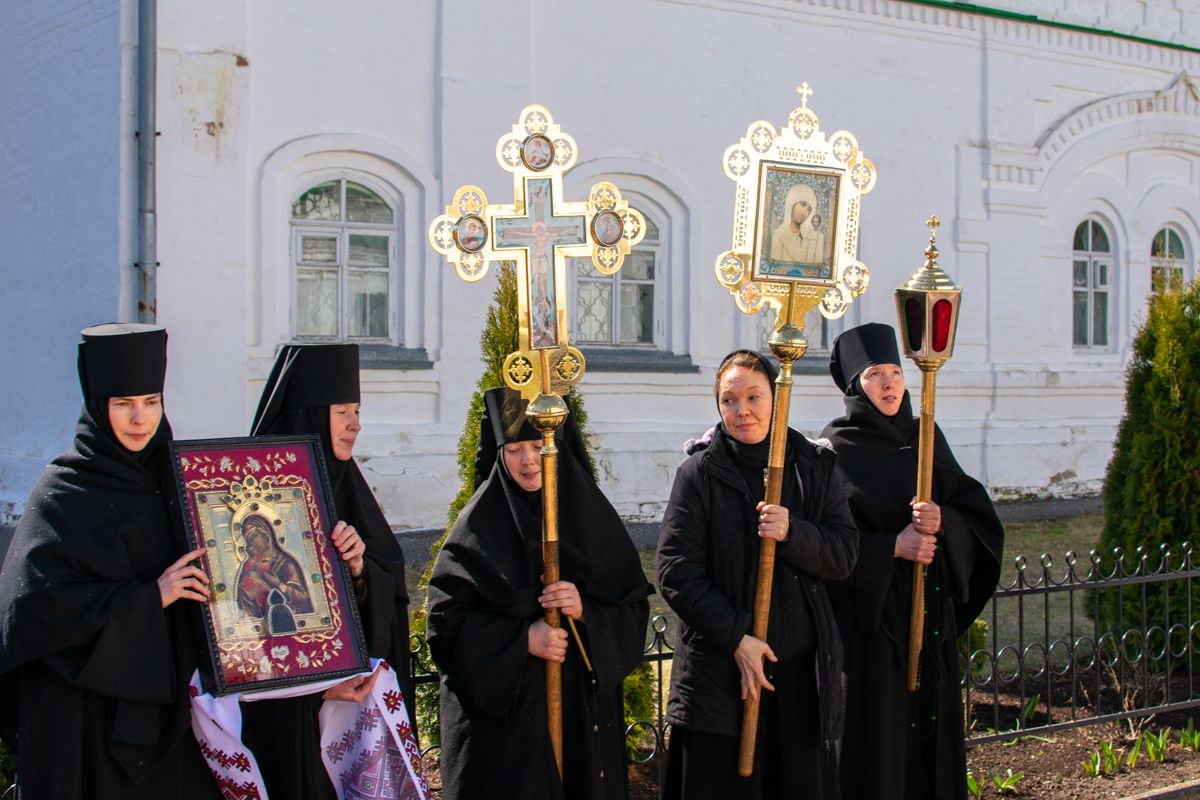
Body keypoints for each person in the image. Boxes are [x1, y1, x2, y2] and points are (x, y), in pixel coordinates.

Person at [0, 323, 218, 799]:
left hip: (169, 713)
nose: (140, 418)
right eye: (123, 404)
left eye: (151, 402)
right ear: (99, 407)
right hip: (82, 718)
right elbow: (32, 612)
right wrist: (149, 598)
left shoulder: (183, 484)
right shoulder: (64, 492)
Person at [427, 387, 652, 800]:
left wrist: (584, 611)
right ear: (499, 454)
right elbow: (445, 629)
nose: (528, 461)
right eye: (514, 449)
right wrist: (521, 640)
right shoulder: (476, 529)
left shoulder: (592, 522)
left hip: (579, 720)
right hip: (507, 737)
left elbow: (632, 608)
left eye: (537, 446)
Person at [657, 349, 857, 799]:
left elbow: (844, 555)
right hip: (718, 679)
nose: (742, 410)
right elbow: (675, 571)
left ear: (776, 398)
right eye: (729, 400)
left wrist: (793, 533)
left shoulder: (811, 466)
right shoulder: (698, 473)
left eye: (754, 397)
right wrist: (738, 639)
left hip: (798, 683)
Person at [821, 323, 1004, 800]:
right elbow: (827, 546)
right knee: (876, 749)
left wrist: (944, 521)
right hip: (872, 633)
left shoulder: (925, 435)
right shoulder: (837, 449)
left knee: (931, 753)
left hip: (929, 620)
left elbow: (977, 520)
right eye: (874, 375)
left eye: (895, 373)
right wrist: (892, 548)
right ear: (854, 386)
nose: (888, 384)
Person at [244, 343, 414, 799]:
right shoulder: (252, 497)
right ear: (310, 416)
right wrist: (315, 688)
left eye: (357, 411)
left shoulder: (348, 488)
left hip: (350, 715)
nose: (356, 424)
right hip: (281, 721)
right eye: (342, 412)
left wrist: (359, 570)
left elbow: (389, 586)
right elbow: (239, 623)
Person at [769, 182, 825, 264]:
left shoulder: (810, 238)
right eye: (803, 204)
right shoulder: (777, 236)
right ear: (791, 204)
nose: (804, 213)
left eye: (809, 209)